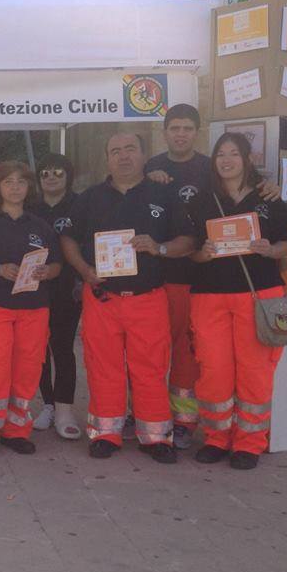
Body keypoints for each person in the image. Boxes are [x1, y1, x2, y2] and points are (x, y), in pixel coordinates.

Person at [145, 104, 278, 448]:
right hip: (162, 276)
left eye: (187, 128)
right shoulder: (152, 167)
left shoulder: (211, 168)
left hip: (203, 281)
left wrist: (271, 187)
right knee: (160, 353)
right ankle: (154, 413)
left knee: (196, 357)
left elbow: (258, 196)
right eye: (174, 128)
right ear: (165, 132)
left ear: (197, 132)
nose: (180, 134)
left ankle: (189, 420)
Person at [60, 133, 194, 464]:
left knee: (150, 368)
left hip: (148, 298)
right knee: (102, 366)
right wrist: (84, 270)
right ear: (106, 159)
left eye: (130, 149)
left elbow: (189, 241)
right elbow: (69, 239)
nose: (123, 157)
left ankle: (156, 436)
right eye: (115, 151)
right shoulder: (90, 197)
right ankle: (106, 433)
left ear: (143, 155)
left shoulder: (164, 195)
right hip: (102, 298)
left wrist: (159, 247)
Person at [188, 132, 287, 470]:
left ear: (247, 159)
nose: (227, 159)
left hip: (257, 293)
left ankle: (249, 442)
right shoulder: (202, 199)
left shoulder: (268, 197)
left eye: (234, 153)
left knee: (254, 370)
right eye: (221, 154)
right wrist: (203, 253)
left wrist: (269, 249)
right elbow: (193, 252)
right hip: (210, 294)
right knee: (214, 369)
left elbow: (284, 245)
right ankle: (217, 437)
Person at [0, 161, 60, 461]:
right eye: (8, 182)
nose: (15, 187)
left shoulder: (40, 226)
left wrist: (46, 272)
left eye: (21, 182)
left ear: (29, 187)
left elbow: (57, 265)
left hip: (34, 308)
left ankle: (16, 430)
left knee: (27, 371)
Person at [29, 153, 82, 440]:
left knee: (62, 348)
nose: (51, 177)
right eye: (46, 173)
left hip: (68, 289)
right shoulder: (31, 208)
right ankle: (47, 404)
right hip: (35, 289)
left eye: (58, 173)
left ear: (68, 176)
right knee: (38, 352)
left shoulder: (79, 205)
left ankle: (64, 409)